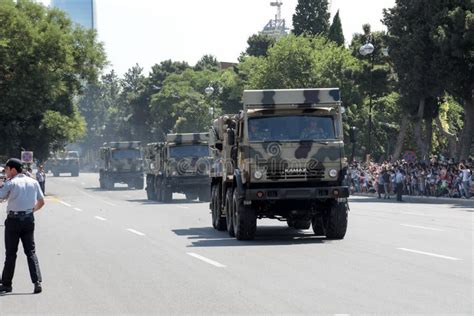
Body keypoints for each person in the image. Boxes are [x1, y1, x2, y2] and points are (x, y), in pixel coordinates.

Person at [0, 158, 45, 294]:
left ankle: (7, 284)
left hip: (13, 221)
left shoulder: (11, 183)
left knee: (11, 254)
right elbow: (41, 202)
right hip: (28, 220)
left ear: (13, 169)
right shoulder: (33, 182)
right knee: (31, 252)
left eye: (7, 170)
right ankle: (37, 282)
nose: (6, 173)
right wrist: (31, 211)